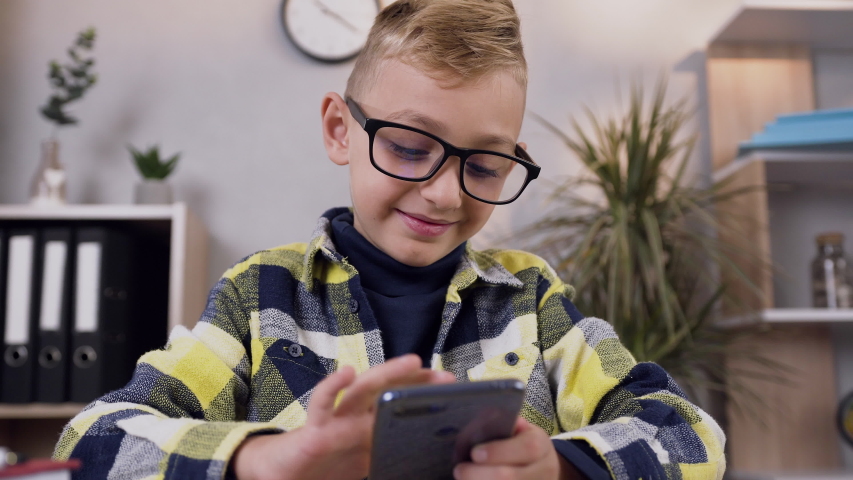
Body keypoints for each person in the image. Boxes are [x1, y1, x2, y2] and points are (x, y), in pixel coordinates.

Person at [54, 1, 726, 479]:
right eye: (408, 148)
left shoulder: (532, 298)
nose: (445, 194)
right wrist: (262, 459)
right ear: (340, 130)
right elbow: (89, 443)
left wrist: (558, 466)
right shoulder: (259, 295)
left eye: (485, 165)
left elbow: (691, 435)